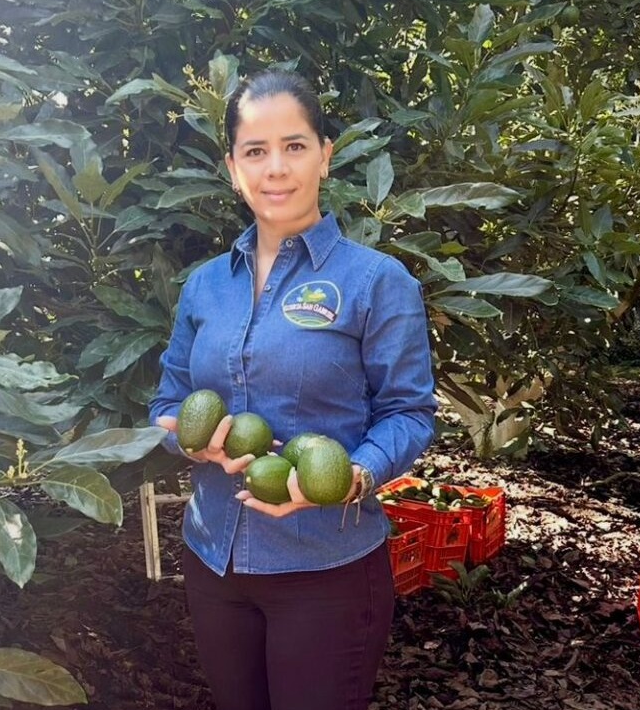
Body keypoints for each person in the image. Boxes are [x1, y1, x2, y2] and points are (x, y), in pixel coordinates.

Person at [149, 69, 437, 710]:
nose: (275, 168)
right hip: (213, 559)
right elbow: (167, 404)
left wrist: (352, 476)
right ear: (232, 167)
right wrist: (191, 446)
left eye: (294, 146)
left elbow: (409, 413)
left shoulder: (375, 282)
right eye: (255, 150)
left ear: (325, 155)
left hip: (326, 568)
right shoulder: (204, 286)